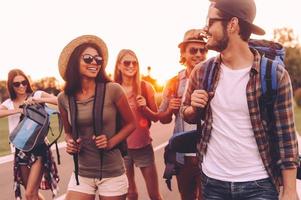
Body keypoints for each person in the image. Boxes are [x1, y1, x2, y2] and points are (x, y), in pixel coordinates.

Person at [181, 0, 299, 199]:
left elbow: (286, 138)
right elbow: (186, 114)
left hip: (259, 185)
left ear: (232, 24)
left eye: (210, 22)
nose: (205, 29)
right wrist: (193, 108)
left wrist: (289, 190)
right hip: (213, 183)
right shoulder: (202, 72)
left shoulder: (275, 75)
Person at [57, 35, 135, 200]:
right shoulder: (63, 98)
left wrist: (111, 142)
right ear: (74, 63)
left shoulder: (113, 89)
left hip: (111, 173)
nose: (94, 62)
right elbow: (68, 132)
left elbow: (131, 123)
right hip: (82, 173)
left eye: (98, 59)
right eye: (88, 58)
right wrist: (70, 143)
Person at [158, 29, 208, 200]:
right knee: (186, 196)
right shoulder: (173, 83)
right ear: (183, 53)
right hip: (183, 156)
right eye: (193, 50)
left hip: (209, 153)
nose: (199, 54)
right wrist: (170, 109)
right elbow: (162, 118)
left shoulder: (213, 77)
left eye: (203, 50)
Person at [0, 69, 59, 200]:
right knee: (32, 193)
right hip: (20, 149)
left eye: (24, 82)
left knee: (29, 194)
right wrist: (19, 109)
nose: (21, 86)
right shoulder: (8, 103)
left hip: (39, 147)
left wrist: (38, 100)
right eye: (17, 84)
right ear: (11, 86)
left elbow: (59, 100)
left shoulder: (36, 94)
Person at [114, 49, 163, 200]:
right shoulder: (113, 89)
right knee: (131, 193)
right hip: (122, 150)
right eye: (126, 62)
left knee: (154, 195)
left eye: (134, 63)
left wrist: (145, 108)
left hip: (143, 147)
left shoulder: (145, 87)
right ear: (119, 66)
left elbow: (156, 117)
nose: (131, 66)